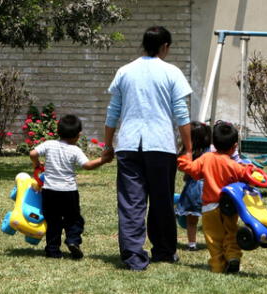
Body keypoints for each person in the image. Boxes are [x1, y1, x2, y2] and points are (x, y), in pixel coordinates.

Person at [104, 26, 193, 271]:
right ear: (165, 47)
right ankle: (164, 251)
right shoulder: (171, 72)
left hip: (129, 145)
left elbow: (113, 112)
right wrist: (188, 148)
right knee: (162, 200)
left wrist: (107, 145)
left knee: (131, 202)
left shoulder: (125, 71)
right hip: (161, 145)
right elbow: (181, 114)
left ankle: (133, 256)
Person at [177, 121, 259, 274]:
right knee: (231, 232)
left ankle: (218, 266)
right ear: (234, 146)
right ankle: (233, 256)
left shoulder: (206, 158)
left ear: (214, 142)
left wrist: (183, 159)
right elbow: (246, 175)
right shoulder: (233, 164)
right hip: (230, 205)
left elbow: (192, 170)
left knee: (214, 238)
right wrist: (251, 169)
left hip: (209, 207)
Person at [30, 114, 112, 259]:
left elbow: (33, 152)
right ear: (78, 135)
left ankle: (53, 250)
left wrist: (36, 163)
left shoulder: (49, 144)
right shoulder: (75, 150)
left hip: (49, 191)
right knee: (74, 219)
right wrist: (103, 159)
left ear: (58, 131)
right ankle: (73, 241)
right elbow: (87, 165)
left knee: (53, 221)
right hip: (68, 192)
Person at [175, 121, 211, 251]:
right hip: (209, 189)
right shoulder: (210, 152)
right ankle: (214, 241)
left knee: (192, 221)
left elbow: (182, 167)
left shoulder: (190, 153)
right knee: (210, 219)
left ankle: (192, 244)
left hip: (194, 189)